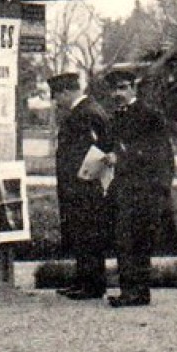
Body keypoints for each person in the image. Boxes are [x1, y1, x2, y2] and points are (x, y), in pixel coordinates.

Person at [104, 69, 175, 307]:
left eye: (123, 88)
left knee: (138, 241)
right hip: (123, 188)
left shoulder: (149, 116)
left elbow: (158, 153)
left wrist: (121, 159)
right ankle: (130, 291)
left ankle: (138, 291)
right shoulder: (116, 117)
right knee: (124, 240)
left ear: (134, 88)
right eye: (114, 89)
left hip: (144, 189)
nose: (118, 94)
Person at [48, 72, 114, 300]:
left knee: (88, 234)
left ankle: (92, 285)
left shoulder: (86, 113)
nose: (56, 101)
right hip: (79, 184)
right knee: (81, 233)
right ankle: (83, 280)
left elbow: (101, 147)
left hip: (84, 185)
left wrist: (86, 175)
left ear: (66, 92)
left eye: (56, 96)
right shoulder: (85, 111)